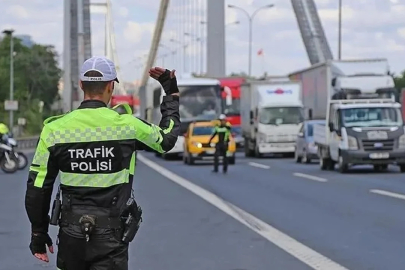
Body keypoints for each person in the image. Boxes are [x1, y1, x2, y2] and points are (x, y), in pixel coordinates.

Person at [24, 56, 180, 270]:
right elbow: (166, 139)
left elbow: (38, 188)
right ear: (110, 86)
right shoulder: (127, 126)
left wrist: (38, 235)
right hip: (112, 237)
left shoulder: (54, 130)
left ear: (81, 85)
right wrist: (170, 94)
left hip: (71, 235)